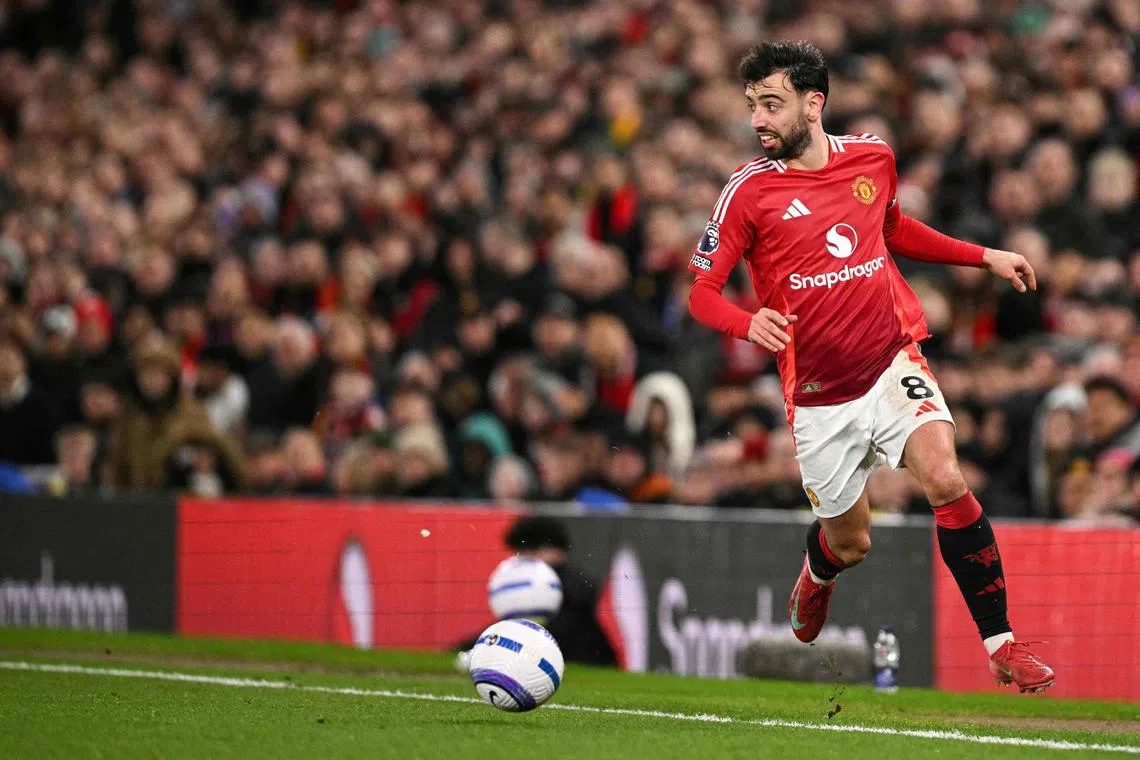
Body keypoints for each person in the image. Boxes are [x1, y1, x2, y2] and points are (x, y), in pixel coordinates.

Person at [687, 42, 1053, 692]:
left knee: (944, 476)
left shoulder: (872, 157)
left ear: (813, 102)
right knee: (853, 542)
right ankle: (819, 573)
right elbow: (701, 294)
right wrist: (748, 323)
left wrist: (984, 256)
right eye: (752, 107)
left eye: (770, 104)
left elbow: (895, 230)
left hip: (891, 360)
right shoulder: (748, 193)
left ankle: (1001, 644)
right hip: (821, 398)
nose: (758, 121)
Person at [503, 516, 618, 667]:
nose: (519, 559)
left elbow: (546, 629)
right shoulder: (565, 581)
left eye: (527, 552)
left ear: (552, 551)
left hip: (583, 660)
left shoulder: (571, 585)